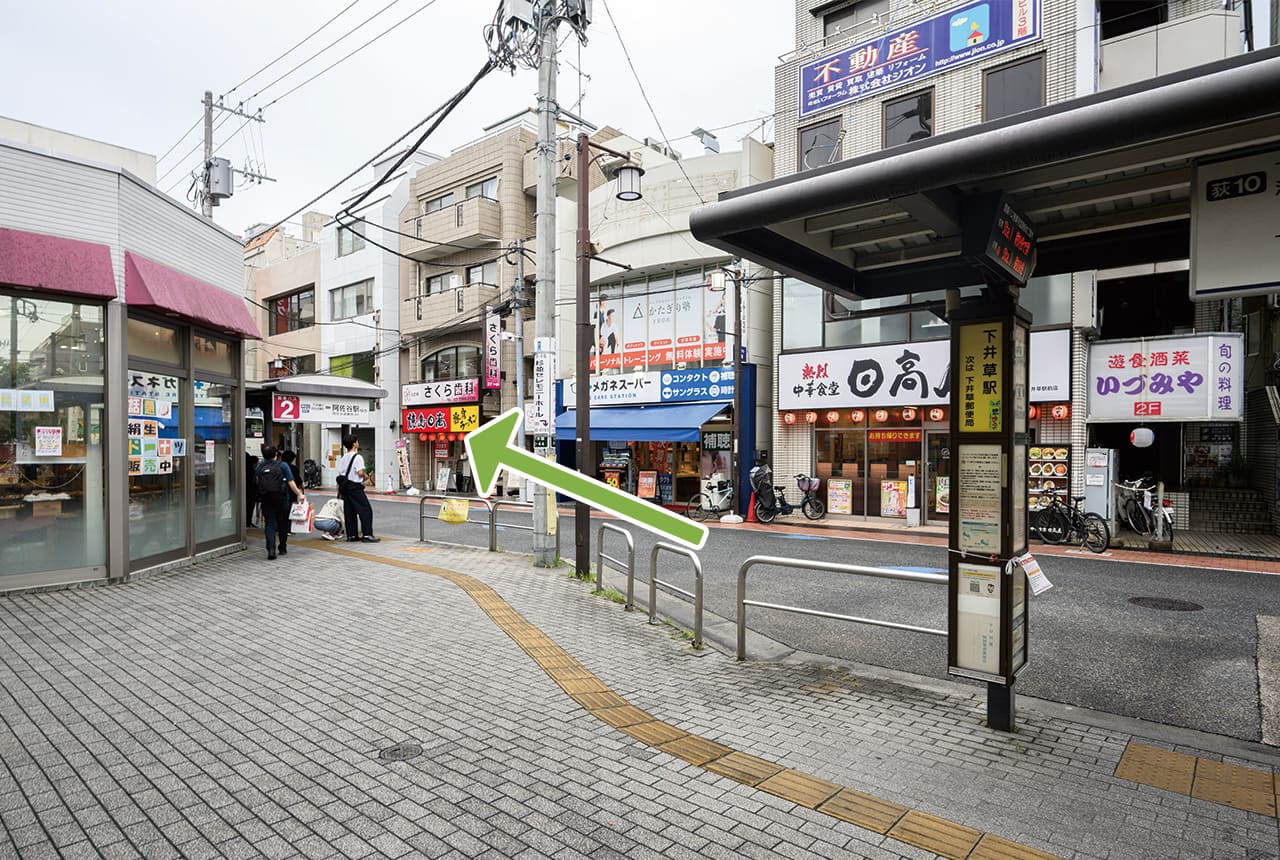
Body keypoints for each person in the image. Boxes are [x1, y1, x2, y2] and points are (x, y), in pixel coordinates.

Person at [256, 445, 304, 560]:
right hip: (281, 498)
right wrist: (299, 494)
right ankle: (282, 547)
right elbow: (291, 482)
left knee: (270, 524)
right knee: (283, 523)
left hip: (266, 498)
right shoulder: (283, 465)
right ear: (276, 454)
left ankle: (271, 550)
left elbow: (256, 481)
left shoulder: (260, 466)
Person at [336, 434, 378, 542]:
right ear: (354, 443)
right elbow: (359, 472)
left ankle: (352, 535)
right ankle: (367, 535)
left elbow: (341, 472)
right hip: (355, 487)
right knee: (366, 510)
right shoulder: (357, 457)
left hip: (345, 487)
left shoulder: (343, 458)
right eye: (357, 441)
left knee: (350, 512)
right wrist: (365, 476)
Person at [245, 454, 259, 527]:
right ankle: (248, 522)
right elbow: (255, 482)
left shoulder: (243, 470)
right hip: (251, 492)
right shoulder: (252, 471)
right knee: (250, 508)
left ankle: (246, 521)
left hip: (246, 492)